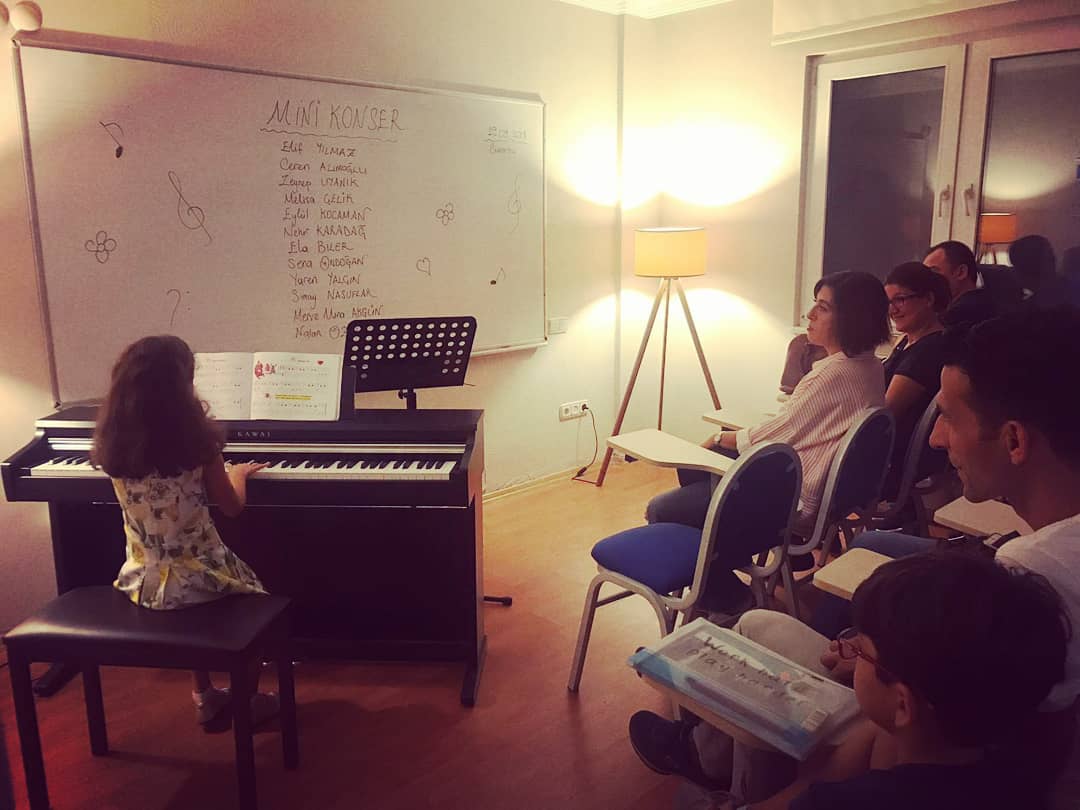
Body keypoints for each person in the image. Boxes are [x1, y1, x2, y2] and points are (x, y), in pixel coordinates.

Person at [631, 308, 1080, 807]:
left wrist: (879, 663)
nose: (935, 437)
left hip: (906, 727)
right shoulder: (1045, 550)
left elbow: (934, 743)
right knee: (858, 560)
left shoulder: (1039, 577)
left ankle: (717, 764)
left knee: (756, 623)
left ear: (1015, 440)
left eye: (949, 418)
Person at [631, 553, 1069, 810]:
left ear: (903, 705)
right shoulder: (1018, 767)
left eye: (862, 650)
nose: (850, 651)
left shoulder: (843, 803)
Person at [91, 335, 277, 732]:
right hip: (199, 575)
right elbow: (232, 506)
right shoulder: (199, 444)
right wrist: (238, 474)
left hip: (142, 580)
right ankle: (247, 702)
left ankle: (205, 696)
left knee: (188, 592)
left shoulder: (114, 445)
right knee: (257, 596)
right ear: (182, 388)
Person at [646, 270, 889, 545]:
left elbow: (778, 435)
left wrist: (718, 437)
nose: (810, 314)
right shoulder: (871, 366)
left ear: (852, 318)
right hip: (830, 490)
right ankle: (725, 538)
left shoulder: (832, 375)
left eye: (822, 308)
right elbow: (798, 425)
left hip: (795, 496)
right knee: (706, 465)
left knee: (663, 506)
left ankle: (716, 559)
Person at [879, 262, 951, 498]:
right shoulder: (908, 342)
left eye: (900, 299)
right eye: (888, 302)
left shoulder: (928, 352)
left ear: (928, 299)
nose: (892, 310)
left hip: (890, 464)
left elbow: (882, 414)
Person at [923, 240, 1021, 329]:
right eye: (925, 274)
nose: (926, 280)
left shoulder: (956, 317)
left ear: (961, 272)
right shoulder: (987, 303)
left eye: (933, 272)